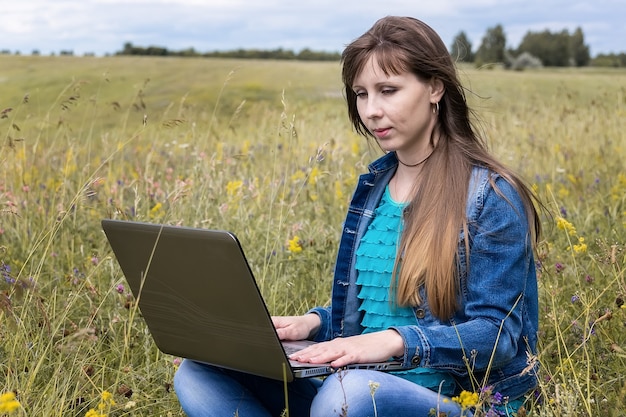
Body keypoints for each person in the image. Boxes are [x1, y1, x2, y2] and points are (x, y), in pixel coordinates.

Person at [174, 16, 541, 417]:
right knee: (198, 373)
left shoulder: (491, 195)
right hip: (354, 390)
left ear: (435, 87)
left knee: (347, 393)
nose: (371, 111)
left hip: (457, 400)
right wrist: (313, 324)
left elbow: (498, 333)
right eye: (361, 94)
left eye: (388, 91)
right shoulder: (375, 186)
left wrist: (394, 341)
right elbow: (375, 313)